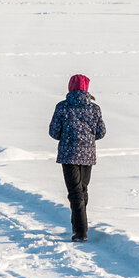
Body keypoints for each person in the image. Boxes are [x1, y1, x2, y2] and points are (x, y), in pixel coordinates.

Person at [48, 74, 106, 241]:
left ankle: (80, 232)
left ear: (70, 88)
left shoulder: (62, 107)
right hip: (87, 155)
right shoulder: (95, 109)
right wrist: (87, 138)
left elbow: (53, 132)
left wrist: (67, 137)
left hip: (69, 155)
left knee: (75, 193)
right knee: (82, 191)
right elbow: (101, 133)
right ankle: (79, 226)